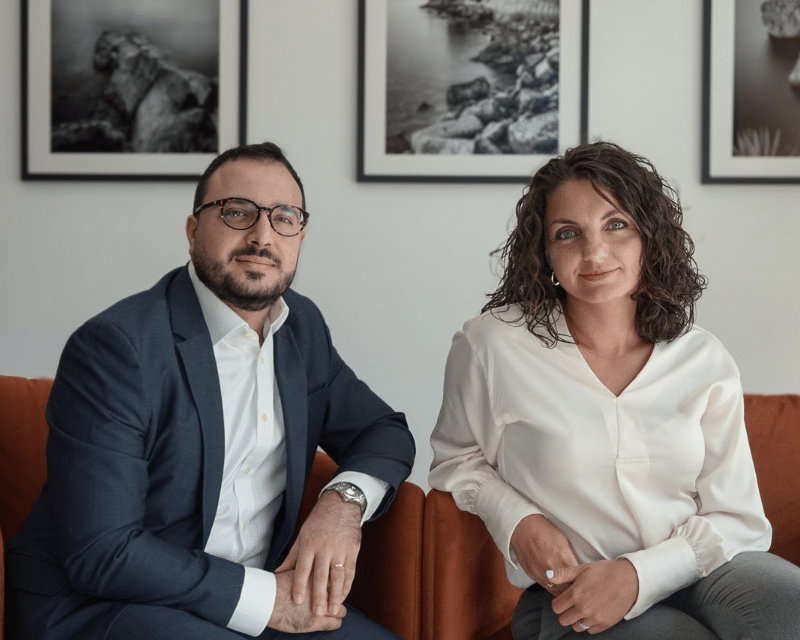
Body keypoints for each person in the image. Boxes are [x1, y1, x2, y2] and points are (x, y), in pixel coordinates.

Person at [6, 142, 415, 640]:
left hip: (252, 602)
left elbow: (383, 430)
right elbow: (103, 552)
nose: (262, 236)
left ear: (300, 235)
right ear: (194, 229)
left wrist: (341, 504)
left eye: (284, 217)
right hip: (103, 604)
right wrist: (268, 601)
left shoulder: (300, 327)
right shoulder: (117, 347)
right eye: (238, 212)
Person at [429, 141, 800, 639]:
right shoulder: (491, 346)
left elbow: (738, 519)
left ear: (649, 235)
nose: (594, 253)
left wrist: (640, 575)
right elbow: (455, 459)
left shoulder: (702, 358)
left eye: (616, 224)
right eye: (568, 234)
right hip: (573, 592)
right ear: (544, 252)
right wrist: (518, 521)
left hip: (698, 570)